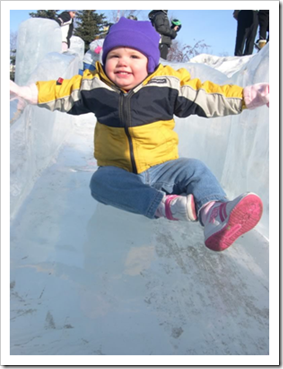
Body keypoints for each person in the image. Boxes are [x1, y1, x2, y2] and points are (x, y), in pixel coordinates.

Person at [10, 17, 269, 252]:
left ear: (150, 62)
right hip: (119, 172)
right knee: (100, 183)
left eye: (134, 56)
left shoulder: (167, 85)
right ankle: (163, 205)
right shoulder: (94, 85)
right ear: (105, 60)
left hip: (162, 168)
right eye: (115, 55)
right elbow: (60, 91)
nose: (123, 62)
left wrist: (247, 97)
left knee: (195, 168)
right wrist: (26, 92)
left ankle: (214, 211)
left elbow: (206, 95)